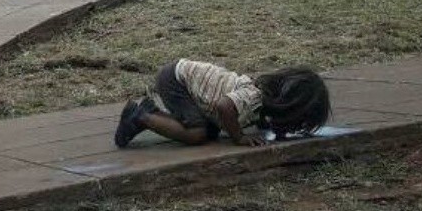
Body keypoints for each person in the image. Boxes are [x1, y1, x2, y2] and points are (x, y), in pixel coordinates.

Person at [114, 59, 331, 148]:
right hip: (176, 80)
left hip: (184, 79)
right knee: (198, 134)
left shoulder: (261, 103)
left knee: (210, 133)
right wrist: (239, 137)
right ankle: (142, 116)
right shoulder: (253, 97)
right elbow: (223, 107)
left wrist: (276, 131)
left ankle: (150, 113)